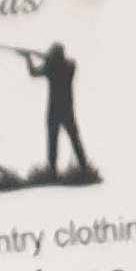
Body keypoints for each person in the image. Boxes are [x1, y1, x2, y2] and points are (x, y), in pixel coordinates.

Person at [22, 41, 89, 177]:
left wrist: (28, 58)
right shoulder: (67, 66)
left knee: (55, 141)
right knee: (72, 140)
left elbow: (33, 73)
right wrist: (39, 58)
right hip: (66, 110)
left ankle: (54, 171)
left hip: (55, 110)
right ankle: (83, 167)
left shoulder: (53, 67)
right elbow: (39, 71)